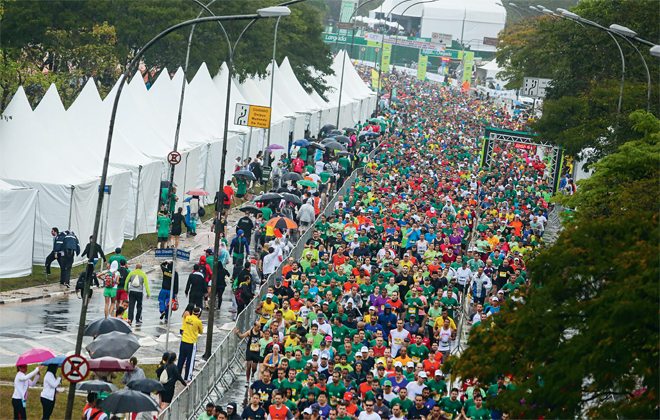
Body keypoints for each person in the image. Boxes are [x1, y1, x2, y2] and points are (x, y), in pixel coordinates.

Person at [178, 306, 203, 381]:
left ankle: (178, 375)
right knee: (190, 361)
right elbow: (201, 332)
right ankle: (187, 378)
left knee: (181, 359)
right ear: (199, 314)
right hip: (191, 343)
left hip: (183, 341)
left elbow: (183, 328)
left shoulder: (187, 318)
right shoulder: (198, 321)